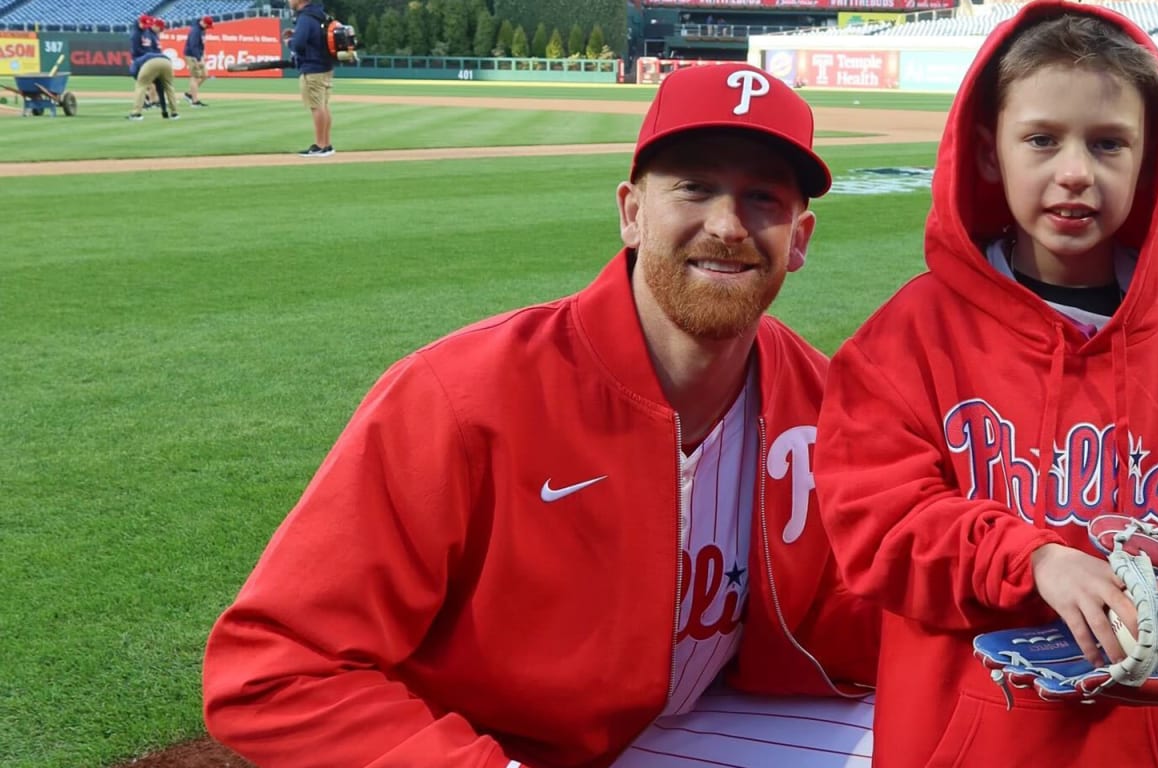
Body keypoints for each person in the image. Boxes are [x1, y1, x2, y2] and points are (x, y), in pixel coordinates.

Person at [202, 62, 878, 768]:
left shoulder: (817, 395)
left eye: (762, 198)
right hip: (487, 751)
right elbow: (271, 669)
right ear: (631, 213)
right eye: (695, 187)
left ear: (799, 240)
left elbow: (843, 607)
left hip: (701, 719)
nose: (727, 225)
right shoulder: (462, 396)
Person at [813, 2, 1158, 766]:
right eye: (1041, 139)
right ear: (990, 154)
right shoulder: (910, 335)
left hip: (1140, 742)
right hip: (963, 737)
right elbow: (876, 522)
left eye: (1107, 144)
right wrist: (1032, 559)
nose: (1074, 173)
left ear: (1149, 160)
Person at [287, 0, 335, 156]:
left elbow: (299, 45)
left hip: (312, 68)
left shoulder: (305, 16)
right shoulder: (320, 14)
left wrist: (289, 42)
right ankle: (326, 144)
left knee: (317, 107)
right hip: (325, 66)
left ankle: (320, 146)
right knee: (323, 105)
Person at [184, 16, 212, 107]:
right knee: (195, 77)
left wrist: (203, 54)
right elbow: (193, 46)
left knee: (205, 75)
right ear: (203, 22)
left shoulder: (202, 30)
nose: (208, 27)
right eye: (207, 25)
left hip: (198, 55)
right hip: (192, 55)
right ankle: (194, 101)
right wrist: (198, 59)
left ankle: (189, 94)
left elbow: (201, 44)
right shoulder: (195, 30)